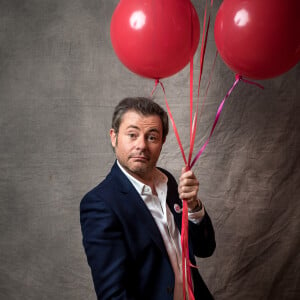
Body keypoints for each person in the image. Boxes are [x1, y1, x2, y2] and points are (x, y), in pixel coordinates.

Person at [80, 97, 216, 300]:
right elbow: (113, 295)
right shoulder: (100, 204)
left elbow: (205, 249)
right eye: (132, 135)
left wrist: (194, 206)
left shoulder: (168, 181)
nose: (141, 145)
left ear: (162, 142)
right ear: (114, 137)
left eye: (152, 137)